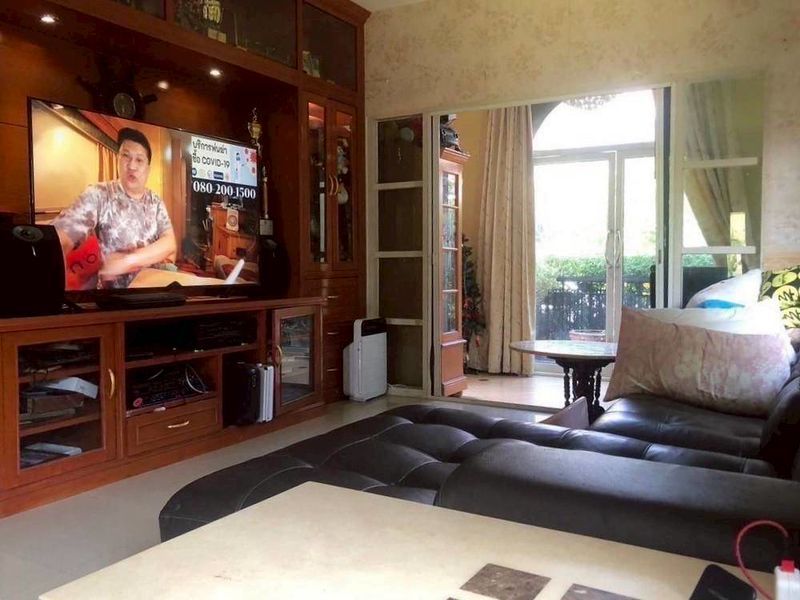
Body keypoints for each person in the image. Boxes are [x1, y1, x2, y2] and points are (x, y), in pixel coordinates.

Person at [53, 127, 177, 289]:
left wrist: (129, 260)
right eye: (126, 156)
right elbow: (59, 239)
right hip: (113, 295)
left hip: (152, 289)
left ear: (148, 168)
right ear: (118, 159)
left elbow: (169, 242)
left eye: (139, 160)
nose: (131, 166)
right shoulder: (99, 194)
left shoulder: (156, 201)